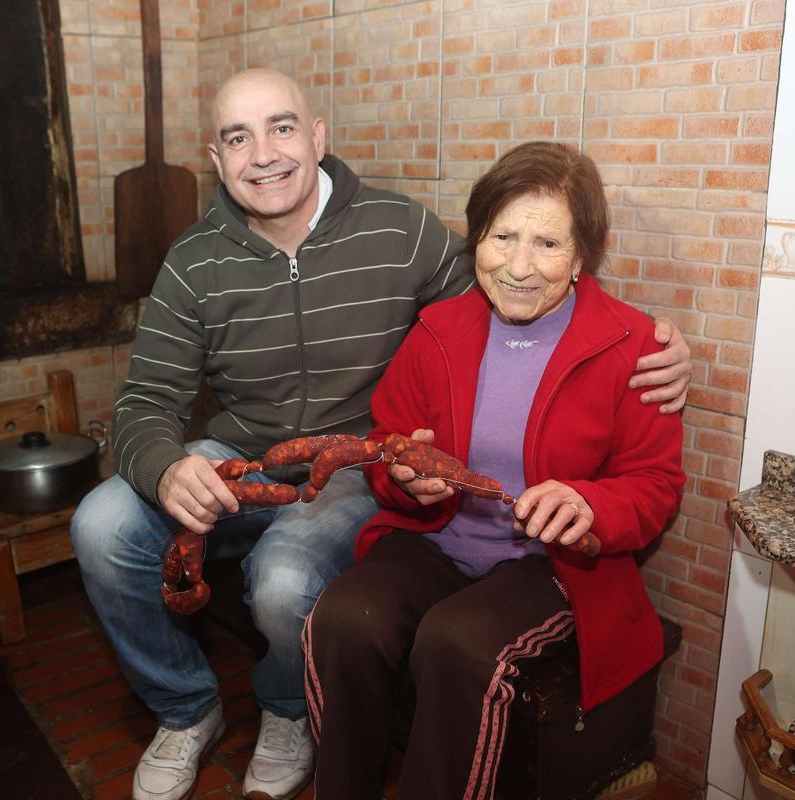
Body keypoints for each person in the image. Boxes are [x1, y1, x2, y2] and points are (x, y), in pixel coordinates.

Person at [70, 69, 691, 800]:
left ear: (318, 135)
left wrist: (656, 344)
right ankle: (185, 710)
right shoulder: (194, 262)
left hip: (357, 470)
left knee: (288, 582)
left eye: (281, 127)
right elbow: (145, 398)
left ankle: (285, 708)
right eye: (239, 137)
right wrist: (168, 467)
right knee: (100, 522)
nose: (262, 153)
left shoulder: (405, 234)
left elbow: (526, 292)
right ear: (216, 156)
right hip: (246, 457)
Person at [302, 141, 686, 800]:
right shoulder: (438, 329)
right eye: (501, 236)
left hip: (552, 563)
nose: (517, 265)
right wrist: (403, 474)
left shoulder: (633, 347)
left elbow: (654, 484)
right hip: (437, 539)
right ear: (475, 237)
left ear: (582, 257)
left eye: (546, 244)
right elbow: (387, 439)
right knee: (343, 616)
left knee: (455, 644)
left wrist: (590, 505)